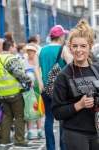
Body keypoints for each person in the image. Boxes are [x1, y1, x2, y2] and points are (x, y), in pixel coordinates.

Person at [52, 19, 99, 150]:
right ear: (69, 47)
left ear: (90, 47)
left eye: (83, 46)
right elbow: (57, 112)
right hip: (75, 134)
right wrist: (80, 105)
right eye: (75, 46)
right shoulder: (63, 76)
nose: (79, 50)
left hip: (97, 132)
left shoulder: (97, 70)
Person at [33, 25, 73, 150]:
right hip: (61, 91)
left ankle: (50, 147)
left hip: (46, 89)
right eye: (64, 35)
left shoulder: (40, 50)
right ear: (60, 37)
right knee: (62, 119)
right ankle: (63, 147)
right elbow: (72, 65)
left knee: (49, 119)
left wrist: (41, 83)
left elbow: (35, 67)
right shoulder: (64, 49)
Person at [0, 40, 33, 149]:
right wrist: (30, 79)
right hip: (14, 92)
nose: (15, 49)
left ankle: (4, 140)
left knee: (7, 116)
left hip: (2, 93)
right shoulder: (10, 58)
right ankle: (20, 142)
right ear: (10, 48)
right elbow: (18, 73)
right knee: (19, 116)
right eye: (14, 47)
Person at [21, 43, 44, 139]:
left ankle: (39, 130)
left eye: (32, 51)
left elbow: (41, 74)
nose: (30, 52)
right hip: (27, 89)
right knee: (28, 109)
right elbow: (21, 75)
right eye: (28, 51)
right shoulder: (23, 63)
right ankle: (29, 131)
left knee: (38, 108)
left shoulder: (39, 62)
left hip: (37, 89)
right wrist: (28, 82)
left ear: (35, 52)